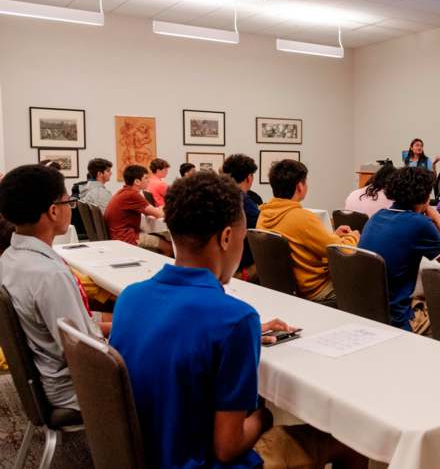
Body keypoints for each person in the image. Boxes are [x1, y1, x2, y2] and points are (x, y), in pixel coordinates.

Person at [109, 172, 366, 469]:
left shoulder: (131, 297)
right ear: (227, 237)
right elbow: (228, 447)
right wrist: (265, 416)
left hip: (151, 454)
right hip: (205, 462)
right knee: (349, 440)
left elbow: (178, 336)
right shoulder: (234, 319)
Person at [0, 165, 106, 410]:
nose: (71, 207)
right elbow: (86, 352)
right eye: (69, 201)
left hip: (43, 376)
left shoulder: (9, 259)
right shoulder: (50, 275)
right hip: (74, 388)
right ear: (53, 211)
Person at [359, 167, 440, 334]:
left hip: (369, 311)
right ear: (426, 196)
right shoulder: (419, 223)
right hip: (397, 319)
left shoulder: (378, 216)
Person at [257, 160, 359, 302]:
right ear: (300, 186)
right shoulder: (302, 218)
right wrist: (354, 236)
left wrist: (333, 236)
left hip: (285, 289)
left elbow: (301, 242)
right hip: (316, 290)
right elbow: (343, 252)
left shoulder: (264, 214)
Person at [105, 165, 172, 256]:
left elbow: (149, 211)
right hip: (127, 238)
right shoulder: (132, 195)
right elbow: (159, 214)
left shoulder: (123, 192)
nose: (148, 180)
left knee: (163, 237)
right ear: (137, 181)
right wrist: (164, 207)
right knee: (168, 246)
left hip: (119, 235)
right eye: (146, 178)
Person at [222, 154, 259, 281]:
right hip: (238, 271)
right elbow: (260, 233)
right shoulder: (246, 202)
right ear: (249, 178)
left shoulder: (218, 196)